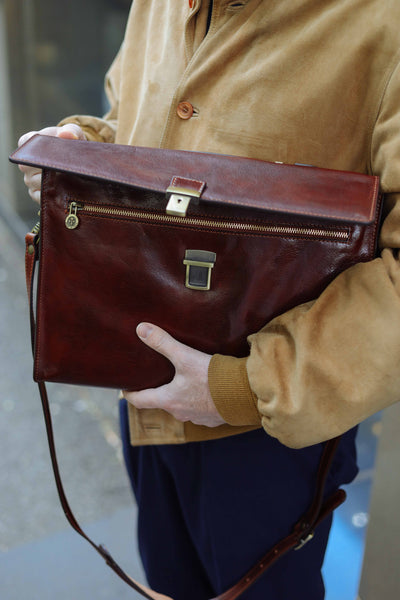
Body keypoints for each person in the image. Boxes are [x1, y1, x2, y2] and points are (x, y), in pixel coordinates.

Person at [18, 1, 400, 598]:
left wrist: (244, 387)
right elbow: (136, 124)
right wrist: (81, 153)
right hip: (142, 385)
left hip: (274, 428)